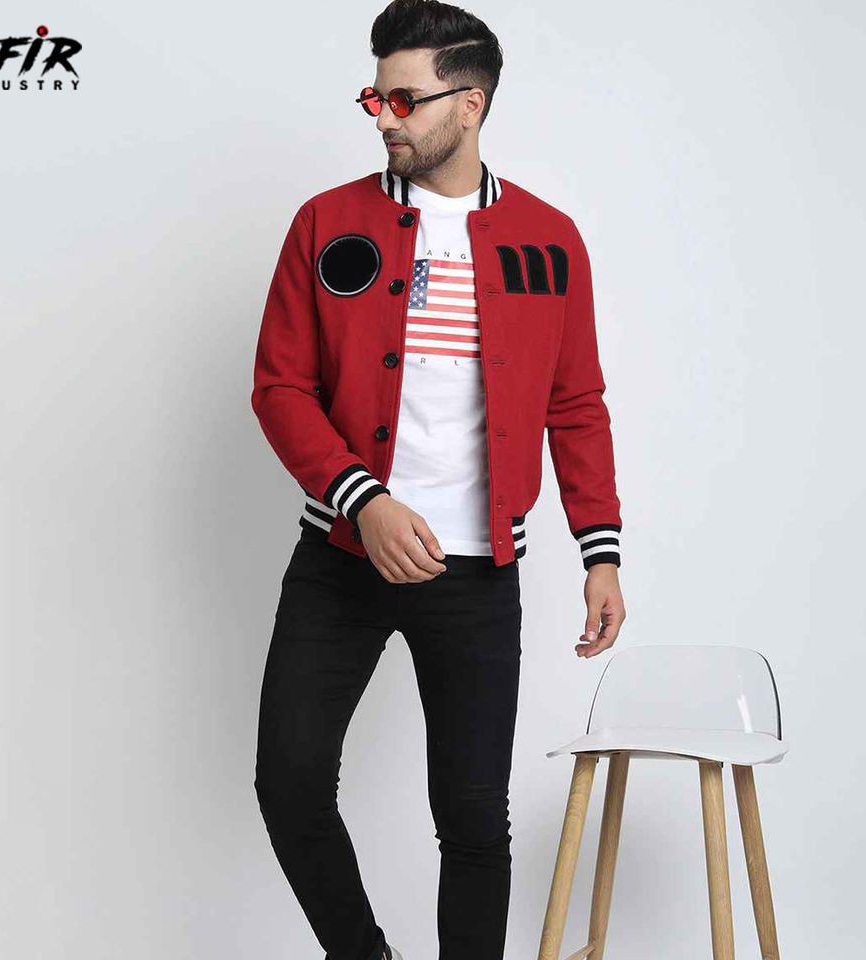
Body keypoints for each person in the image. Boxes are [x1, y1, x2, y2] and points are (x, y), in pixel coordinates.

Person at [250, 2, 627, 958]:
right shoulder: (327, 223)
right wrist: (363, 502)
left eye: (405, 99)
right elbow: (281, 386)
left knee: (472, 819)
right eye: (375, 96)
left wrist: (601, 552)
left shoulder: (549, 238)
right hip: (341, 556)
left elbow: (576, 401)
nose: (384, 116)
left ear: (470, 104)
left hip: (478, 572)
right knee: (289, 782)